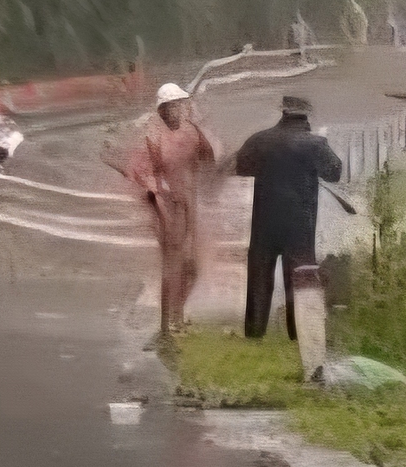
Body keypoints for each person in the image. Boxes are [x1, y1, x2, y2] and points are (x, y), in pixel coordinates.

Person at [231, 94, 341, 340]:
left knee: (259, 280)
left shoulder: (260, 140)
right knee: (299, 280)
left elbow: (241, 167)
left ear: (283, 114)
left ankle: (254, 334)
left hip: (265, 224)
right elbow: (335, 173)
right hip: (299, 226)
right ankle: (296, 334)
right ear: (306, 117)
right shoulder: (316, 144)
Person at [121, 82, 217, 339]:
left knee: (191, 267)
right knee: (173, 266)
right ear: (161, 110)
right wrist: (161, 206)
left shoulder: (192, 131)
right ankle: (168, 323)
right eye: (171, 107)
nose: (176, 111)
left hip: (188, 205)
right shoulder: (154, 137)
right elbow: (147, 175)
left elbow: (209, 160)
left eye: (179, 105)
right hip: (167, 208)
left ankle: (177, 315)